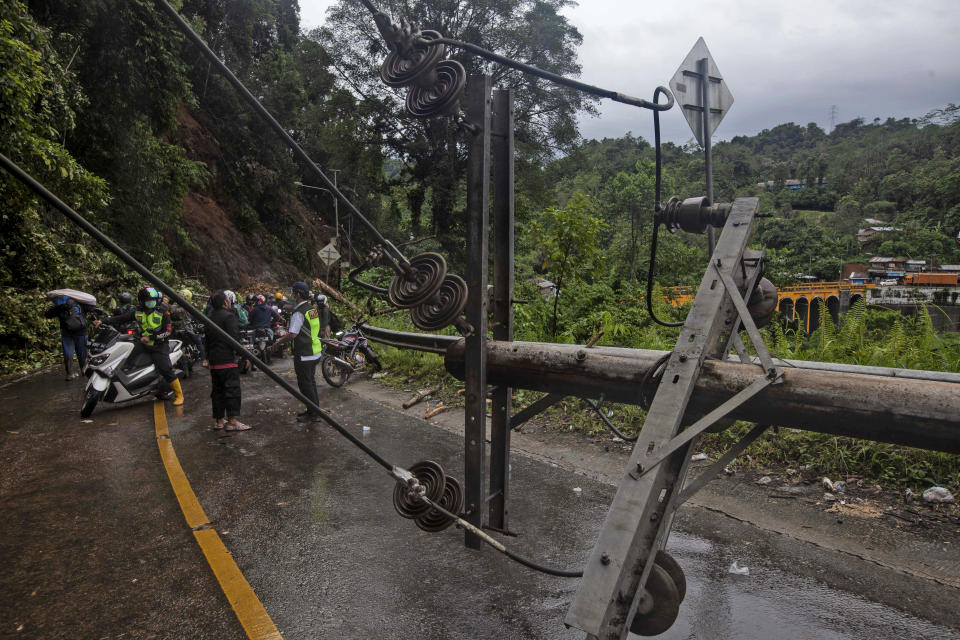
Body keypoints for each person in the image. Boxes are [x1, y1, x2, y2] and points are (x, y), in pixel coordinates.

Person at [94, 286, 184, 405]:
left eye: (154, 299)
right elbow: (121, 318)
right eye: (149, 300)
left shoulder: (163, 312)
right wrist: (103, 321)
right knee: (124, 357)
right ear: (142, 301)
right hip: (142, 343)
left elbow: (167, 332)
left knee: (165, 369)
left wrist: (151, 337)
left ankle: (179, 395)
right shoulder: (138, 312)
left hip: (159, 346)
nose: (152, 302)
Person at [273, 281, 326, 422]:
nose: (292, 295)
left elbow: (292, 334)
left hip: (304, 353)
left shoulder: (299, 312)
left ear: (297, 294)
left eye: (293, 293)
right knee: (311, 382)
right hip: (315, 351)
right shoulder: (311, 309)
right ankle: (314, 409)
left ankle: (313, 413)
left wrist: (278, 342)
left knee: (305, 385)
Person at [204, 291, 249, 431]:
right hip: (227, 359)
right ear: (225, 303)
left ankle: (219, 420)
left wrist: (207, 358)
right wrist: (244, 356)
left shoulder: (209, 317)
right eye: (228, 300)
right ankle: (232, 421)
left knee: (217, 391)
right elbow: (234, 338)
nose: (229, 302)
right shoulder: (229, 316)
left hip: (214, 360)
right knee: (232, 389)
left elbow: (206, 340)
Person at [45, 294, 92, 380]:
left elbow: (47, 315)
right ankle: (84, 371)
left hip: (67, 333)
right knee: (82, 352)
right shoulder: (79, 302)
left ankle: (69, 374)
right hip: (81, 332)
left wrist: (58, 308)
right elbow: (92, 308)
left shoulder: (59, 306)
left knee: (68, 352)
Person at [169, 288, 206, 362]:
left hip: (174, 330)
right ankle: (204, 360)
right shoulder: (188, 308)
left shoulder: (172, 307)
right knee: (198, 342)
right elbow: (196, 317)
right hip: (187, 330)